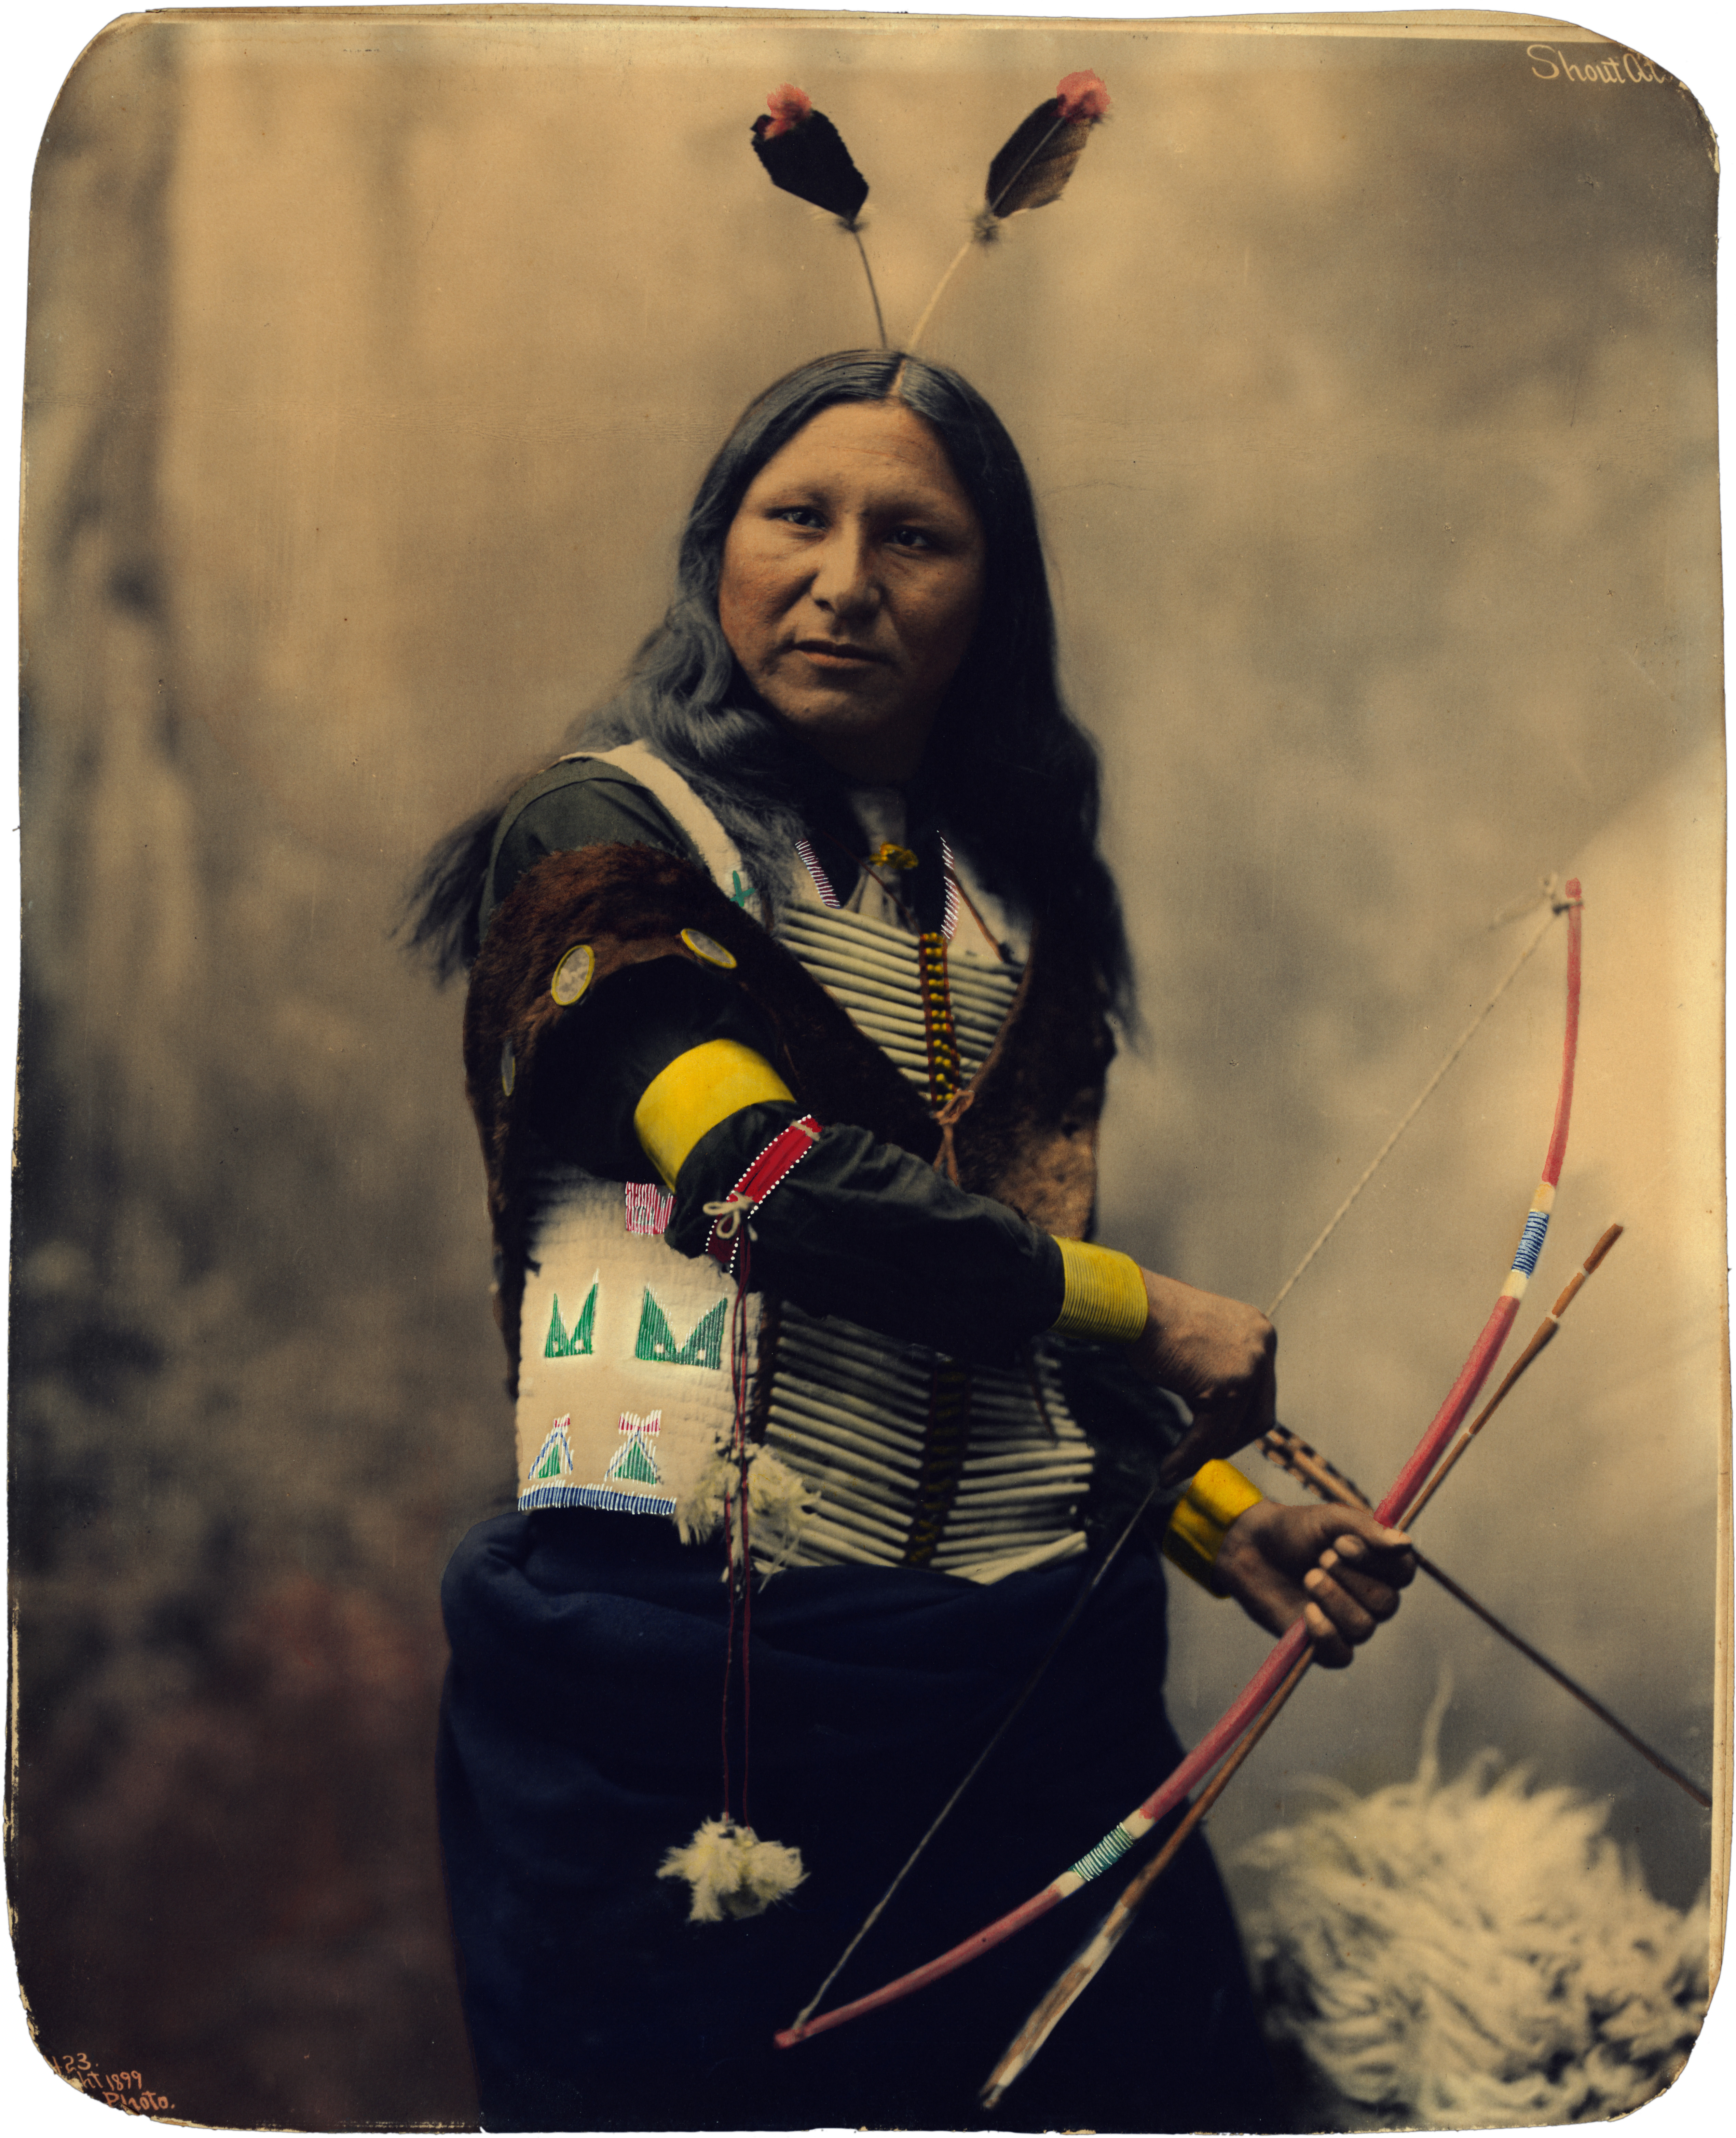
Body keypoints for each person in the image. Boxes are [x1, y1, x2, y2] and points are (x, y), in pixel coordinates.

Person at [408, 348, 1414, 2133]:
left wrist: (1221, 1519)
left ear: (993, 596)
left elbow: (990, 1315)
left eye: (918, 539)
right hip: (684, 1708)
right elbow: (761, 1177)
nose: (846, 579)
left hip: (1031, 1706)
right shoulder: (606, 840)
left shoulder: (1018, 897)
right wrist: (1150, 1309)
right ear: (719, 546)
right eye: (796, 517)